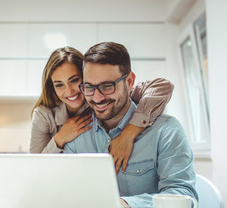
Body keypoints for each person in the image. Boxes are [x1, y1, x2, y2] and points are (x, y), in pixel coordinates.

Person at [64, 42, 197, 208]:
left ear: (129, 81)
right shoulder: (76, 137)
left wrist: (126, 205)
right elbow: (68, 194)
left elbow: (185, 199)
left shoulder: (166, 131)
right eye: (89, 87)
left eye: (107, 86)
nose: (97, 98)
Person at [30, 46, 174, 173]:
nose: (69, 91)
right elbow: (33, 167)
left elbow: (162, 86)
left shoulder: (103, 97)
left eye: (74, 80)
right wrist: (59, 139)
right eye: (59, 85)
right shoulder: (44, 115)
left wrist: (129, 132)